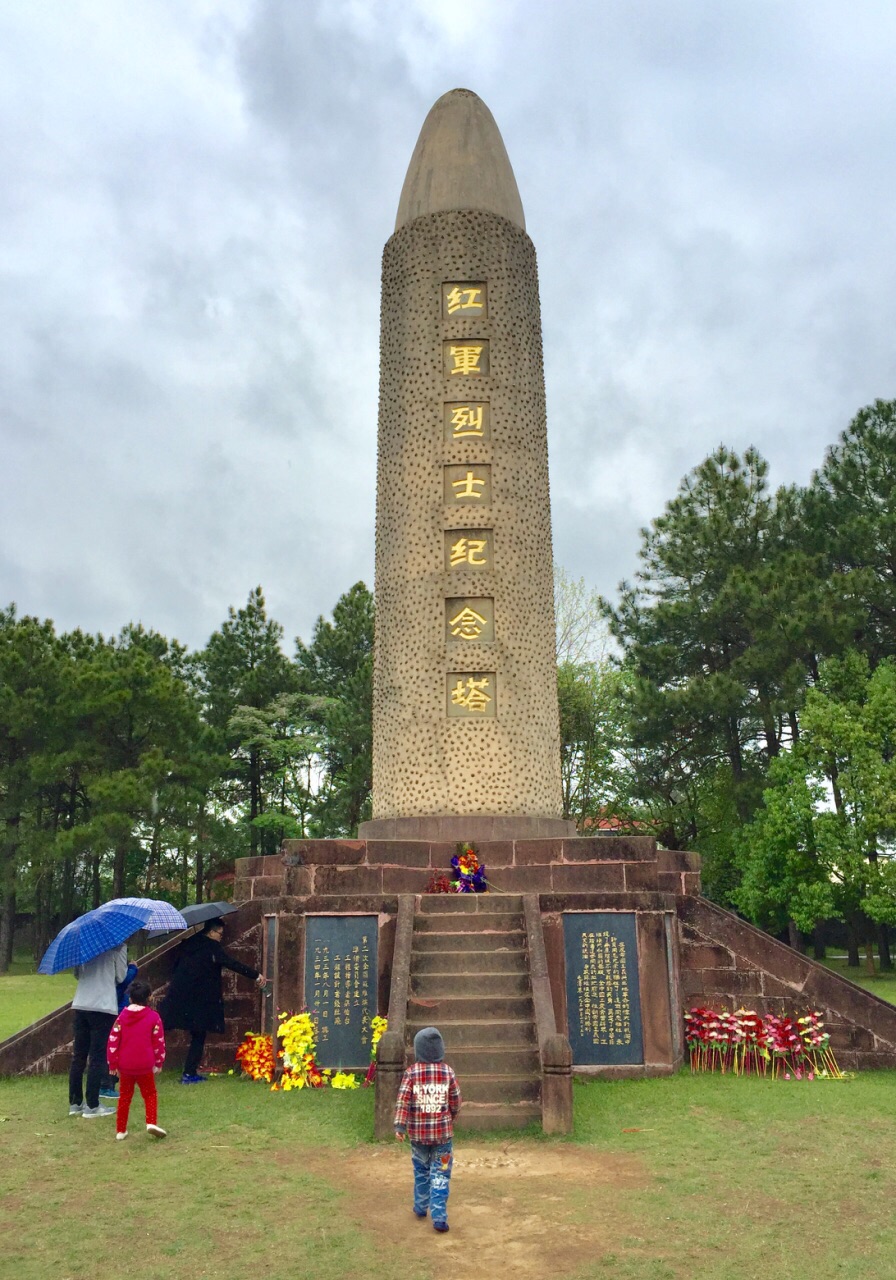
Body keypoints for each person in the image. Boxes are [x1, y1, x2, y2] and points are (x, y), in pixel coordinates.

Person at [158, 918, 267, 1083]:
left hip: (180, 996)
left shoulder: (189, 944)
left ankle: (188, 1071)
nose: (221, 937)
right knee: (198, 1035)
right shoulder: (211, 947)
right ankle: (189, 1073)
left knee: (187, 1032)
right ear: (211, 932)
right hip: (199, 1000)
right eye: (219, 934)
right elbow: (232, 963)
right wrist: (255, 975)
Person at [393, 1026, 462, 1233]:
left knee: (421, 1170)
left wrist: (400, 1125)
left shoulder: (411, 1073)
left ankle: (421, 1206)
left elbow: (403, 1101)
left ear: (418, 1050)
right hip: (443, 1136)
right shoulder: (448, 1072)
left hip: (418, 1136)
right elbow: (456, 1099)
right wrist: (453, 1115)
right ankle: (439, 1216)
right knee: (441, 1173)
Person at [69, 942, 129, 1118]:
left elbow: (77, 974)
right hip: (102, 1006)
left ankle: (75, 1102)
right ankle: (93, 1105)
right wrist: (130, 966)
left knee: (79, 1055)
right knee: (97, 1056)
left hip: (81, 1003)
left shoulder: (84, 946)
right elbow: (120, 976)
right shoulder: (118, 946)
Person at [106, 978, 167, 1140]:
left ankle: (121, 1130)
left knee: (125, 1096)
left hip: (125, 1064)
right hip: (145, 1064)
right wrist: (159, 1062)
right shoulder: (154, 1018)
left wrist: (113, 1063)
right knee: (149, 1094)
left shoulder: (122, 1018)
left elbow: (113, 1040)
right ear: (149, 998)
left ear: (130, 998)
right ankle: (151, 1122)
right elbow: (158, 1042)